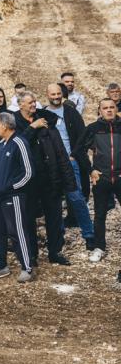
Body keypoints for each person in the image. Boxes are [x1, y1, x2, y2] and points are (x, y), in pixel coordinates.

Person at [14, 92, 75, 266]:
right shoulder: (15, 122)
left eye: (35, 101)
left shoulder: (45, 120)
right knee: (29, 218)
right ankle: (32, 255)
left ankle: (55, 252)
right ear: (21, 105)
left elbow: (59, 150)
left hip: (49, 177)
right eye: (30, 102)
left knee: (54, 217)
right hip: (29, 180)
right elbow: (17, 145)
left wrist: (68, 180)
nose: (34, 105)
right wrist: (33, 127)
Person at [0, 113, 34, 283]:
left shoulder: (19, 143)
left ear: (5, 126)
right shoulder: (2, 144)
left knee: (17, 232)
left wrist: (11, 188)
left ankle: (27, 268)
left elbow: (28, 173)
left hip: (13, 197)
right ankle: (1, 267)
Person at [45, 83, 94, 249]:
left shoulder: (70, 112)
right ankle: (58, 239)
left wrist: (74, 154)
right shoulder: (43, 114)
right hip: (52, 165)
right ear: (47, 95)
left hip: (69, 162)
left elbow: (83, 135)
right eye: (53, 94)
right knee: (54, 201)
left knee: (76, 198)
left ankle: (89, 235)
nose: (56, 97)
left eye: (59, 94)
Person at [73, 99, 121, 265]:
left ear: (116, 109)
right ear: (99, 110)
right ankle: (99, 247)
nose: (109, 110)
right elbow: (79, 150)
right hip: (101, 178)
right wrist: (91, 170)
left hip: (120, 177)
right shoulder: (93, 129)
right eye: (105, 108)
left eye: (111, 107)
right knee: (100, 214)